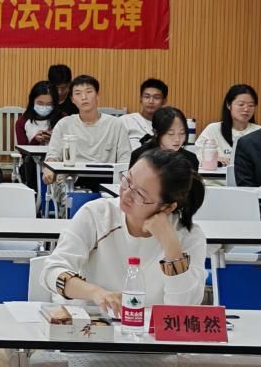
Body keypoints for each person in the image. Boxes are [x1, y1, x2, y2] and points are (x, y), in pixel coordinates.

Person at [42, 150, 206, 333]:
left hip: (153, 341)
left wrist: (171, 247)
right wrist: (96, 293)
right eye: (127, 180)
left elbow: (182, 312)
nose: (126, 194)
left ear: (167, 207)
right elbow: (51, 272)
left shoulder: (189, 237)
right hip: (91, 334)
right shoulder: (97, 215)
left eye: (140, 194)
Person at [42, 75, 130, 186]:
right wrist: (49, 170)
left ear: (97, 95)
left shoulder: (115, 124)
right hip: (72, 182)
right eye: (78, 93)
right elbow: (53, 155)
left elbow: (125, 160)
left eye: (89, 92)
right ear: (72, 99)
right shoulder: (64, 124)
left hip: (107, 183)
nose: (84, 97)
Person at [196, 84, 261, 166]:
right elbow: (197, 153)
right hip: (217, 174)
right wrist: (214, 159)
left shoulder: (260, 132)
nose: (246, 109)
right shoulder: (213, 129)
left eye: (251, 105)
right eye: (241, 104)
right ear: (228, 105)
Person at [129, 107, 198, 170]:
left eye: (182, 133)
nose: (177, 139)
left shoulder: (190, 159)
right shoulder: (140, 156)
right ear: (156, 133)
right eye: (171, 134)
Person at [121, 78, 168, 151]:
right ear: (140, 99)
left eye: (156, 97)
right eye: (147, 96)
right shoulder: (125, 121)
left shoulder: (169, 124)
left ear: (164, 101)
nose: (151, 101)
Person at [15, 81, 58, 146]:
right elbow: (22, 149)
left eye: (49, 104)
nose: (44, 107)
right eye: (40, 103)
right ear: (32, 101)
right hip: (31, 153)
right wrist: (35, 140)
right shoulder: (22, 122)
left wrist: (54, 139)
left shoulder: (63, 119)